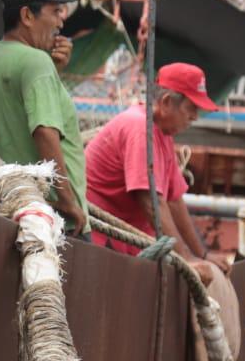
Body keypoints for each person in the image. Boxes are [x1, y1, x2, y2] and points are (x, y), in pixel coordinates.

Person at [0, 0, 87, 233]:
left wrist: (53, 71)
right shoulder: (36, 63)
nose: (61, 22)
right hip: (40, 223)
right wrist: (67, 202)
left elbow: (11, 117)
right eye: (54, 12)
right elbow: (44, 132)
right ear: (27, 16)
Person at [84, 63, 218, 263]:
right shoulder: (139, 128)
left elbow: (174, 200)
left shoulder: (162, 133)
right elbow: (151, 203)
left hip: (124, 242)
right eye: (191, 108)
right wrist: (187, 259)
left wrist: (202, 255)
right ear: (166, 102)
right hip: (97, 243)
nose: (195, 117)